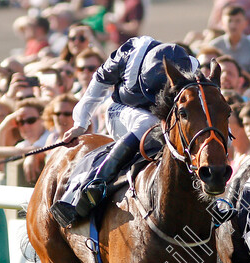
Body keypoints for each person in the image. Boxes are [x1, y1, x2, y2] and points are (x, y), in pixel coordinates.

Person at [49, 36, 199, 227]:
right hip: (121, 111)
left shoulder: (191, 67)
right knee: (148, 122)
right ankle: (95, 182)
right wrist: (80, 122)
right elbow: (96, 86)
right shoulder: (129, 53)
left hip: (164, 120)